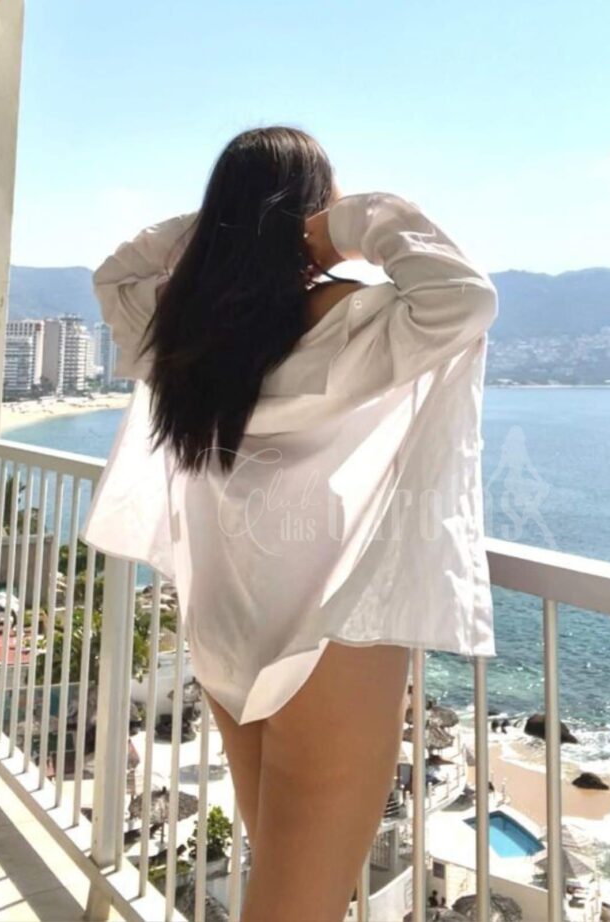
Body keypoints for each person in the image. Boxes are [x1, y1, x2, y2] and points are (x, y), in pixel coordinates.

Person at [80, 125, 498, 922]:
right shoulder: (348, 321)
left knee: (281, 879)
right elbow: (465, 296)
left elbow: (116, 270)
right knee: (298, 905)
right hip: (329, 634)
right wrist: (346, 226)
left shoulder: (183, 333)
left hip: (227, 625)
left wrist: (224, 231)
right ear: (313, 212)